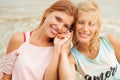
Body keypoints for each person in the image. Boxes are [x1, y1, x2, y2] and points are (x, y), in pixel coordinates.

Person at [1, 0, 76, 80]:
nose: (60, 27)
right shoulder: (19, 40)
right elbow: (6, 76)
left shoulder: (61, 50)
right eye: (58, 19)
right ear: (47, 13)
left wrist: (57, 51)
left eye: (66, 26)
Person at [68, 1, 120, 80]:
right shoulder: (73, 57)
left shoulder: (108, 40)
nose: (85, 29)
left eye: (91, 24)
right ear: (74, 25)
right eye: (81, 22)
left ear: (97, 27)